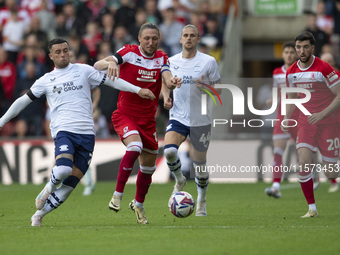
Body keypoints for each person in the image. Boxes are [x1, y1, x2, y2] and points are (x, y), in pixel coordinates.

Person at [0, 38, 155, 227]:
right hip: (64, 130)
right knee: (64, 169)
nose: (63, 54)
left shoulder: (83, 70)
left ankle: (38, 215)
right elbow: (23, 101)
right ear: (51, 56)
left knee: (70, 184)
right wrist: (2, 121)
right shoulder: (46, 80)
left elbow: (113, 82)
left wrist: (138, 90)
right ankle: (49, 186)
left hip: (88, 134)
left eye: (65, 50)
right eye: (58, 52)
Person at [94, 22, 182, 224]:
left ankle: (139, 204)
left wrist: (171, 85)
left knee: (148, 168)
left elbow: (166, 78)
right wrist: (112, 63)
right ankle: (117, 194)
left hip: (148, 121)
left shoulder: (162, 57)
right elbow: (98, 65)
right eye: (147, 38)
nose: (151, 42)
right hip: (125, 114)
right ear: (140, 38)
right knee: (134, 146)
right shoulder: (129, 52)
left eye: (154, 38)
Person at [162, 24, 221, 216]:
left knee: (199, 164)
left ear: (197, 39)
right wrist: (166, 97)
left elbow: (218, 90)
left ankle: (202, 199)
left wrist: (205, 86)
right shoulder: (171, 61)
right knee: (169, 151)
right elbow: (164, 82)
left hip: (200, 119)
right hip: (178, 117)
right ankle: (179, 180)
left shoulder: (209, 61)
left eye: (192, 35)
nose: (188, 38)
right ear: (180, 39)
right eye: (185, 35)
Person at [282, 31, 340, 218]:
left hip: (328, 122)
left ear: (312, 48)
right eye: (298, 47)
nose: (301, 50)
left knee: (331, 173)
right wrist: (286, 117)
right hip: (306, 122)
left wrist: (322, 114)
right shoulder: (291, 72)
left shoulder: (324, 68)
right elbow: (292, 98)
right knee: (303, 162)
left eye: (305, 47)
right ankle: (312, 208)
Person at [265, 42, 299, 198]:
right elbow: (275, 89)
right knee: (278, 151)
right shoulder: (277, 72)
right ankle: (276, 185)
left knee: (304, 151)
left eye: (292, 52)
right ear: (283, 54)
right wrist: (272, 98)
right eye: (286, 52)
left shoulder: (301, 71)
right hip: (282, 116)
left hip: (299, 116)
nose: (289, 54)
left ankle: (314, 178)